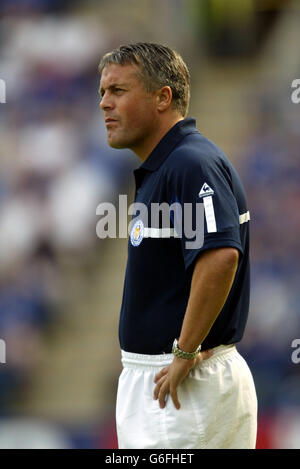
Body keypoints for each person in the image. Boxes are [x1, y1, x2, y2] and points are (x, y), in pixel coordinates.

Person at [98, 42, 257, 449]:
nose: (104, 104)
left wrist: (184, 354)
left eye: (117, 91)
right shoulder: (169, 166)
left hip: (182, 388)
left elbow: (221, 255)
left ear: (162, 98)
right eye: (103, 93)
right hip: (176, 384)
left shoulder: (190, 163)